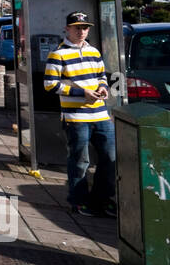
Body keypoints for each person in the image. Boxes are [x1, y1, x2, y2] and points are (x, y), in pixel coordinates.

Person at [43, 11, 116, 218]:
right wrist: (80, 92)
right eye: (77, 28)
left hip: (101, 114)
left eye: (85, 28)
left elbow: (102, 76)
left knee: (110, 158)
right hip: (76, 117)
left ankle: (103, 199)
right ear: (67, 29)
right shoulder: (58, 54)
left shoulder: (94, 52)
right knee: (80, 160)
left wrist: (103, 88)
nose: (81, 31)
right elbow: (50, 84)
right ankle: (79, 201)